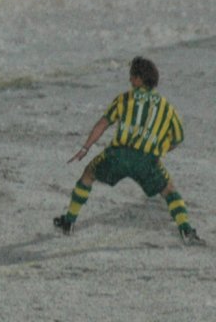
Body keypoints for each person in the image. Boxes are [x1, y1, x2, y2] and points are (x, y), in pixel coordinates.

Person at [54, 57, 204, 245]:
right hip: (147, 161)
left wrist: (85, 148)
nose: (130, 80)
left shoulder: (125, 99)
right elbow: (178, 138)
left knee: (88, 175)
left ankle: (68, 221)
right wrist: (159, 150)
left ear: (140, 79)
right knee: (169, 191)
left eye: (132, 76)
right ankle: (185, 230)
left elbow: (103, 124)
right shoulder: (167, 108)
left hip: (118, 155)